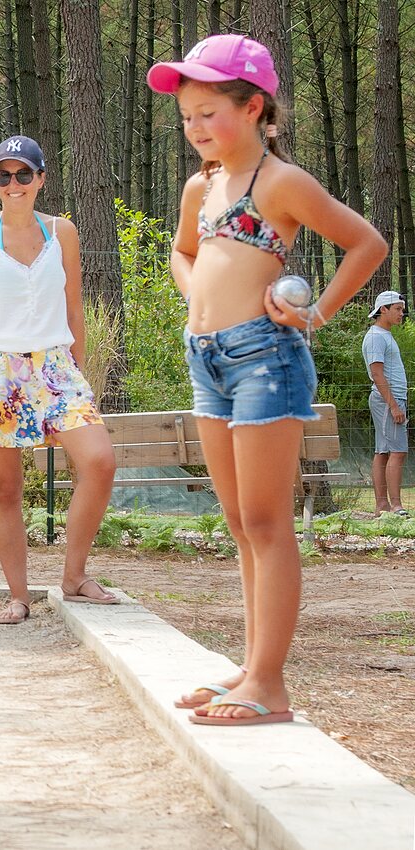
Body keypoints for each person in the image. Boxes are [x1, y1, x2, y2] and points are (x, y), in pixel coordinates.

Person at [148, 34, 388, 725]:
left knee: (265, 521)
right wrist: (197, 299)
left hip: (265, 359)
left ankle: (269, 685)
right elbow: (182, 252)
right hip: (208, 360)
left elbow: (367, 243)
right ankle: (251, 667)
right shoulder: (202, 186)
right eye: (186, 116)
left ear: (253, 107)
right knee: (238, 522)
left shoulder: (280, 182)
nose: (195, 128)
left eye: (208, 113)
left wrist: (317, 312)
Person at [0, 135, 117, 626]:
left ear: (41, 179)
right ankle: (18, 596)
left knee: (100, 462)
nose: (14, 184)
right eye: (3, 175)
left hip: (56, 367)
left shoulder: (62, 231)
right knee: (6, 489)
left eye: (23, 174)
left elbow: (74, 307)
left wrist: (77, 371)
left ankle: (74, 576)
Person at [363, 290, 408, 517]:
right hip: (387, 400)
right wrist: (393, 405)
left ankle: (383, 506)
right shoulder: (376, 337)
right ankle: (395, 506)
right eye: (397, 309)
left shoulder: (385, 335)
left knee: (383, 451)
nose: (401, 313)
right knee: (397, 451)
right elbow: (377, 374)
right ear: (383, 309)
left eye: (402, 309)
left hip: (392, 399)